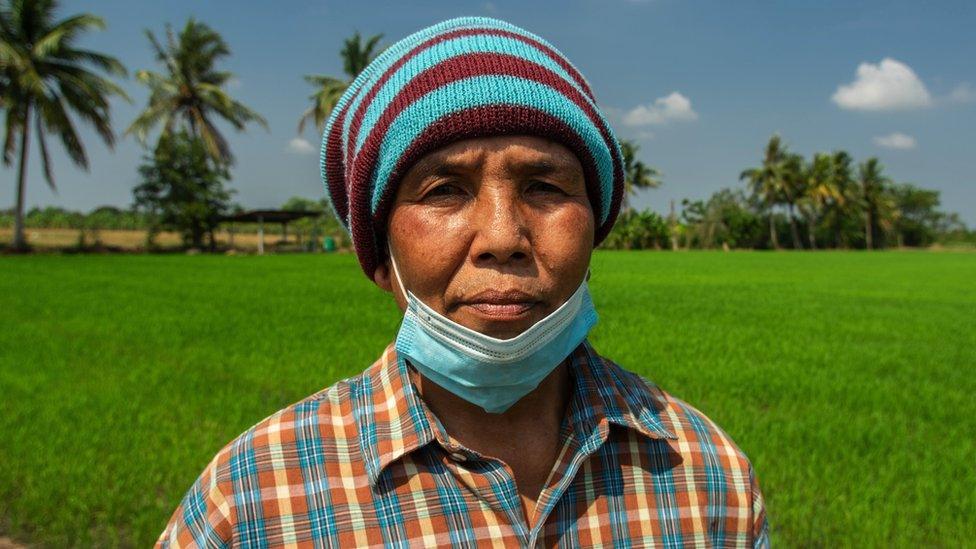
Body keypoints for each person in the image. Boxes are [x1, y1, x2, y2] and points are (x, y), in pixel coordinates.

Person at [157, 16, 768, 548]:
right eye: (443, 191)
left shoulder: (706, 472)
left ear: (593, 228)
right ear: (379, 258)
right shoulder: (254, 499)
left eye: (545, 187)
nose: (503, 237)